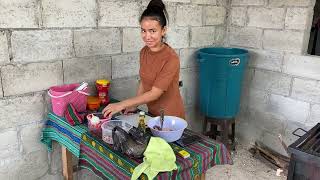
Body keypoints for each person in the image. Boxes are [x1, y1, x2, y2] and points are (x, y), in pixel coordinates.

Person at [102, 0, 185, 119]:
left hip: (170, 117)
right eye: (143, 30)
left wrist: (121, 104)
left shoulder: (171, 59)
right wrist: (134, 105)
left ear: (163, 30)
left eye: (153, 31)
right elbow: (144, 82)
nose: (147, 36)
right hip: (153, 115)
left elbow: (154, 94)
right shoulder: (144, 52)